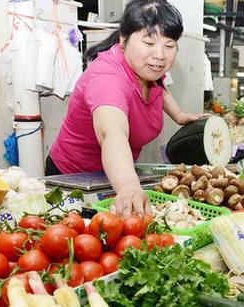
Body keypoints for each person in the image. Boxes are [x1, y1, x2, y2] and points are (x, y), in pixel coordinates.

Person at [46, 0, 207, 217]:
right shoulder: (108, 78)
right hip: (72, 181)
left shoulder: (149, 70)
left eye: (169, 45)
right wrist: (128, 186)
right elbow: (112, 133)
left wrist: (178, 115)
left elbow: (160, 88)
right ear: (124, 39)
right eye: (149, 43)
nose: (160, 55)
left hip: (113, 173)